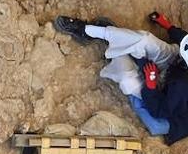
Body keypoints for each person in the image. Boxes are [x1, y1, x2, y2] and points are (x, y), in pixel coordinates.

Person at [55, 14, 188, 144]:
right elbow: (183, 38)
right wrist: (167, 25)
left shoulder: (181, 89)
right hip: (173, 67)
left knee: (127, 79)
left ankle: (115, 45)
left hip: (164, 94)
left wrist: (151, 85)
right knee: (145, 40)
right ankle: (89, 31)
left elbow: (160, 109)